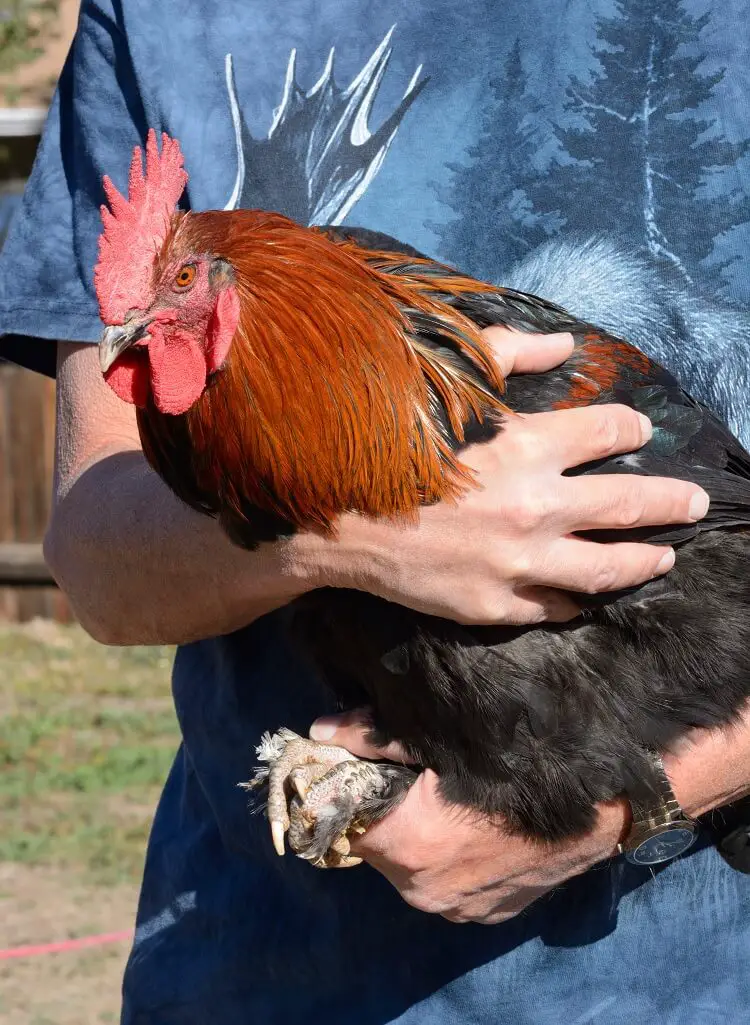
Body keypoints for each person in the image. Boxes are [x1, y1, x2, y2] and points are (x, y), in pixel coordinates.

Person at [1, 1, 749, 1021]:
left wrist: (633, 801)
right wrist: (360, 536)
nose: (132, 322)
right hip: (270, 974)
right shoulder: (154, 17)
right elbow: (97, 551)